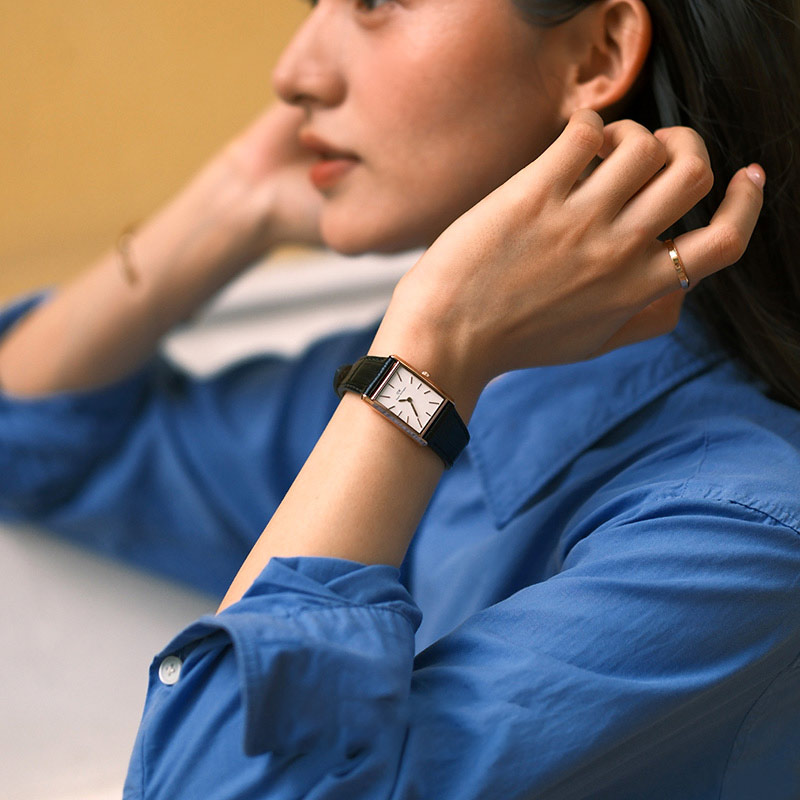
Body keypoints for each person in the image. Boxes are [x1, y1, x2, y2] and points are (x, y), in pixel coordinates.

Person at [1, 0, 798, 796]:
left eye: (375, 2)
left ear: (598, 53)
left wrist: (431, 351)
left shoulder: (733, 538)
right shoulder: (456, 388)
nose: (293, 74)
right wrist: (236, 198)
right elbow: (34, 444)